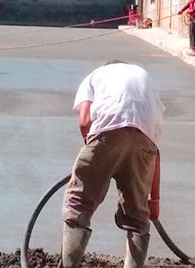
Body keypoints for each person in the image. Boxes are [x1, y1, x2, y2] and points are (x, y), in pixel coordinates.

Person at [60, 61, 165, 268]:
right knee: (138, 216)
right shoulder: (144, 77)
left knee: (78, 203)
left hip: (108, 131)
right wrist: (153, 202)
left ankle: (68, 265)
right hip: (146, 137)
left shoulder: (95, 75)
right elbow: (155, 155)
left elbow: (84, 121)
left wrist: (95, 154)